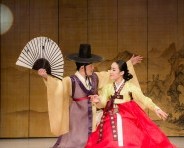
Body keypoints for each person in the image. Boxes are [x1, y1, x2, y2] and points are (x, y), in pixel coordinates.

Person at [38, 44, 142, 148]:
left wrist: (129, 64)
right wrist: (46, 76)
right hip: (77, 118)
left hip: (93, 118)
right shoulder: (71, 81)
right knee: (75, 142)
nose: (93, 67)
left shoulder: (95, 77)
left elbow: (111, 74)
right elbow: (58, 86)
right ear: (83, 67)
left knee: (96, 141)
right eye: (90, 66)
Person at [86, 60, 176, 148]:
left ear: (121, 72)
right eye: (111, 69)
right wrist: (97, 100)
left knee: (132, 138)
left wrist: (156, 108)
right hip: (111, 115)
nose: (111, 72)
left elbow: (144, 99)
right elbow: (103, 102)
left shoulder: (130, 87)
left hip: (128, 114)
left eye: (114, 70)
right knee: (108, 139)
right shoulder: (108, 87)